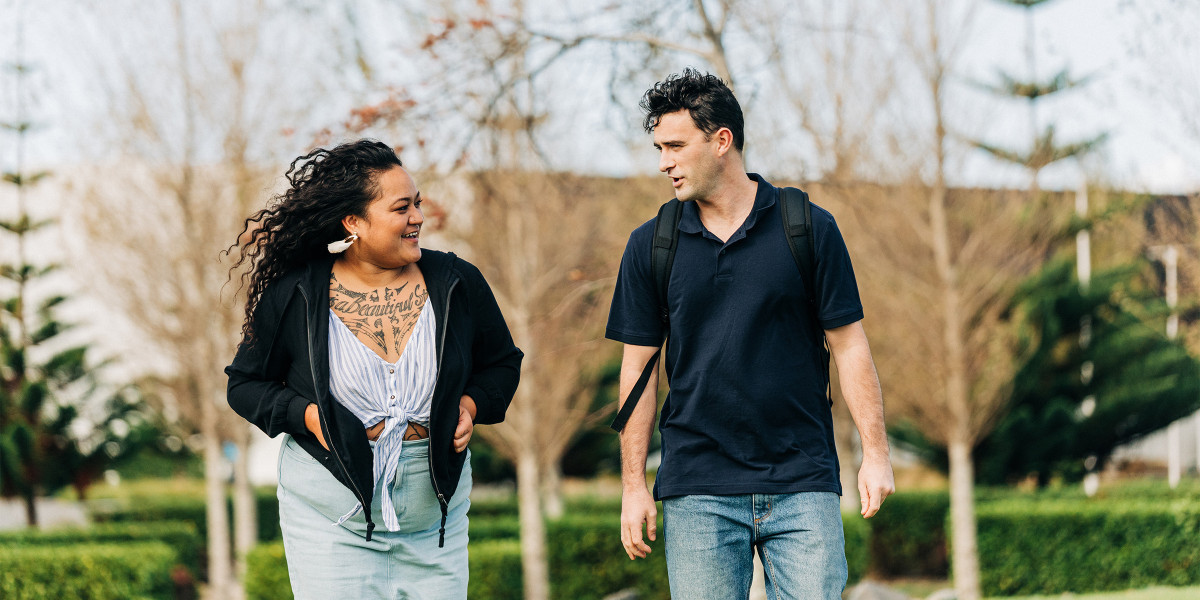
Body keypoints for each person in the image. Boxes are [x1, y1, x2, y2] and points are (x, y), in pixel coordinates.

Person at [606, 69, 895, 599]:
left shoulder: (808, 227)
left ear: (722, 141)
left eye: (675, 146)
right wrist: (633, 487)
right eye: (658, 147)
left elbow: (850, 345)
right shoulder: (652, 245)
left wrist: (876, 453)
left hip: (801, 481)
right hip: (698, 487)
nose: (663, 162)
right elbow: (637, 372)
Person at [224, 139, 522, 599]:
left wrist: (472, 403)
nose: (418, 217)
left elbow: (502, 363)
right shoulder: (297, 295)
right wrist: (306, 416)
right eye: (402, 208)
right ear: (353, 222)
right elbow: (245, 385)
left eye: (418, 204)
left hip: (432, 522)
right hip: (331, 517)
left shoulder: (457, 283)